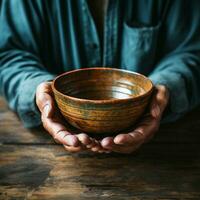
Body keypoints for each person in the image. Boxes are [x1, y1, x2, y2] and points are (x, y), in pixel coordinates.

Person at [0, 0, 200, 154]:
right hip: (51, 154)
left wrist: (166, 86)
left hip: (165, 147)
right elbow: (10, 54)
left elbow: (191, 50)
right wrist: (38, 90)